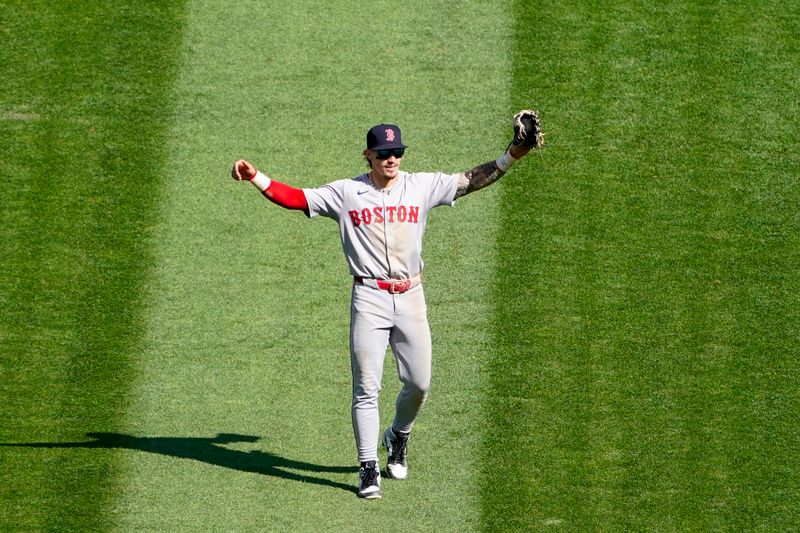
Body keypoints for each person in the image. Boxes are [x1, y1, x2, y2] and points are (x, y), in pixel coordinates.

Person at [230, 111, 542, 499]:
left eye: (396, 152)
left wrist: (514, 153)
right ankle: (367, 469)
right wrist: (256, 176)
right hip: (369, 299)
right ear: (368, 155)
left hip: (411, 296)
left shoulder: (420, 186)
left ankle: (398, 434)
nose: (391, 159)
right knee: (366, 388)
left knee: (419, 383)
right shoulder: (346, 193)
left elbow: (471, 180)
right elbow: (295, 199)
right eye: (383, 153)